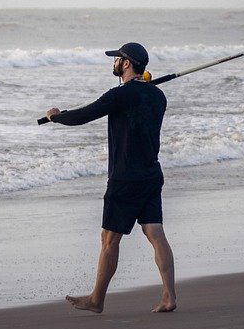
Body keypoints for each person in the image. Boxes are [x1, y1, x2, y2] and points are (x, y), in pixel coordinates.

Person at [45, 41, 177, 314]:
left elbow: (84, 115)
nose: (114, 62)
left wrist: (57, 117)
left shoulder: (120, 96)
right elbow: (139, 103)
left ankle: (97, 299)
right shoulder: (158, 97)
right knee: (155, 232)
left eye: (117, 58)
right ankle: (169, 296)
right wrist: (144, 87)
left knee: (109, 240)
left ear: (126, 63)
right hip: (152, 174)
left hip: (125, 178)